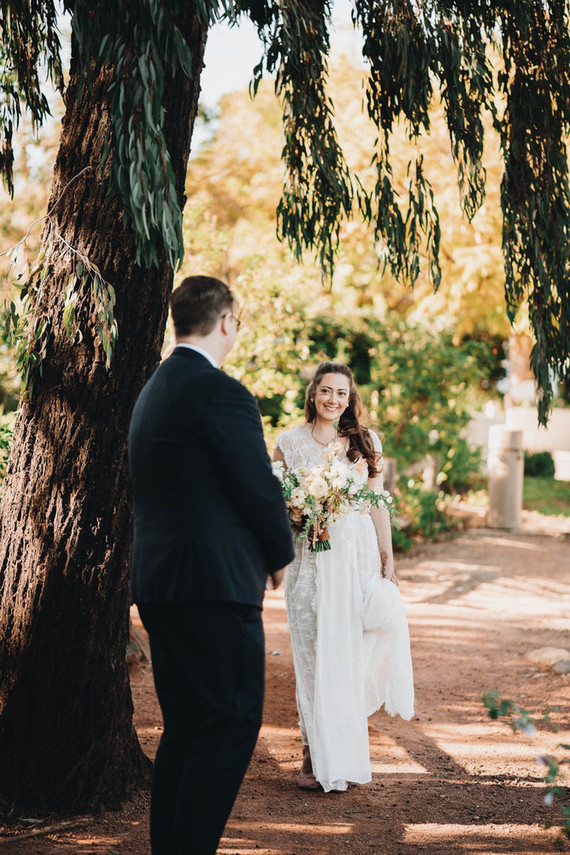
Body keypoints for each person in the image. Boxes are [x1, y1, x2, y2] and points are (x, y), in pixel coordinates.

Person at [128, 275, 294, 855]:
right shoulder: (222, 392)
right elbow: (256, 485)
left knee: (187, 728)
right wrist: (279, 556)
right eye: (237, 321)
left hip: (161, 583)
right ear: (225, 321)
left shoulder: (153, 390)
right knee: (230, 723)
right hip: (214, 586)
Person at [273, 361, 414, 793]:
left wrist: (388, 562)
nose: (333, 400)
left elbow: (377, 505)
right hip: (309, 559)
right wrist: (297, 516)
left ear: (350, 399)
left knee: (348, 655)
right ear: (313, 393)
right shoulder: (288, 443)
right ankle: (312, 751)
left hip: (355, 556)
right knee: (310, 654)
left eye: (341, 393)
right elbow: (273, 502)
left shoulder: (365, 442)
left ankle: (345, 751)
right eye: (326, 391)